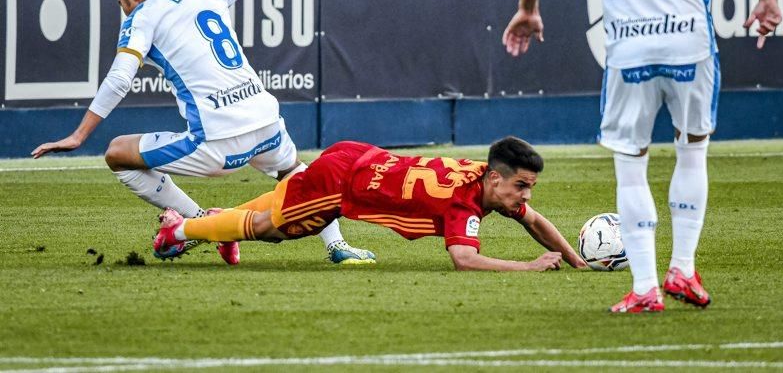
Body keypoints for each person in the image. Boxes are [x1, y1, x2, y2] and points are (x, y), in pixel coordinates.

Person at [503, 0, 782, 311]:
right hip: (689, 41)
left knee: (631, 166)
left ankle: (645, 287)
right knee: (692, 153)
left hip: (629, 48)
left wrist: (527, 9)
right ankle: (684, 271)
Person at [31, 0, 375, 265]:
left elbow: (120, 78)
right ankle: (338, 245)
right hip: (267, 122)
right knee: (297, 175)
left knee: (118, 154)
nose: (122, 5)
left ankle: (201, 225)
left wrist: (78, 135)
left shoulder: (142, 16)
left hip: (216, 142)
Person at [154, 137, 588, 272]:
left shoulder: (484, 177)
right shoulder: (465, 203)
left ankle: (219, 224)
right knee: (273, 228)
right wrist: (527, 267)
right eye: (523, 186)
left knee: (285, 205)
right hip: (341, 183)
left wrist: (577, 263)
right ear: (496, 177)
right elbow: (464, 259)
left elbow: (534, 221)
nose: (526, 196)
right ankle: (180, 229)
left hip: (360, 157)